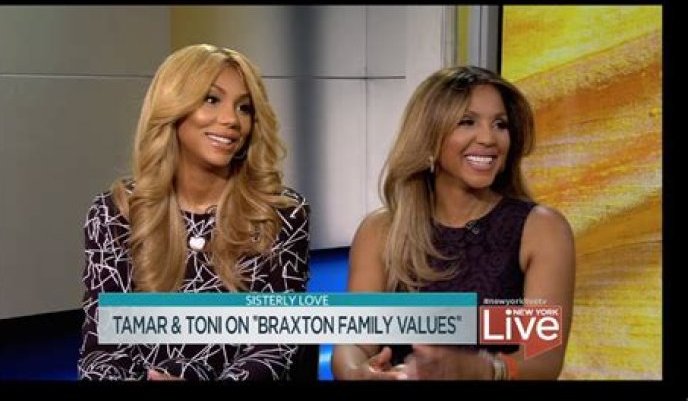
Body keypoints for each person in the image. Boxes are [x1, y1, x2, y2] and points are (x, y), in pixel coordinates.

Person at [78, 44, 311, 381]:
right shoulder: (115, 214)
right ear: (172, 107)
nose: (231, 120)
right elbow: (100, 352)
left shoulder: (281, 214)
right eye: (211, 99)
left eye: (244, 107)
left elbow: (274, 348)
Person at [331, 65, 575, 380]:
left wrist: (479, 370)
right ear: (430, 137)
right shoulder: (380, 231)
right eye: (467, 122)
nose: (488, 138)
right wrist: (358, 373)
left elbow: (544, 361)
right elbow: (354, 343)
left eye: (500, 124)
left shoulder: (542, 229)